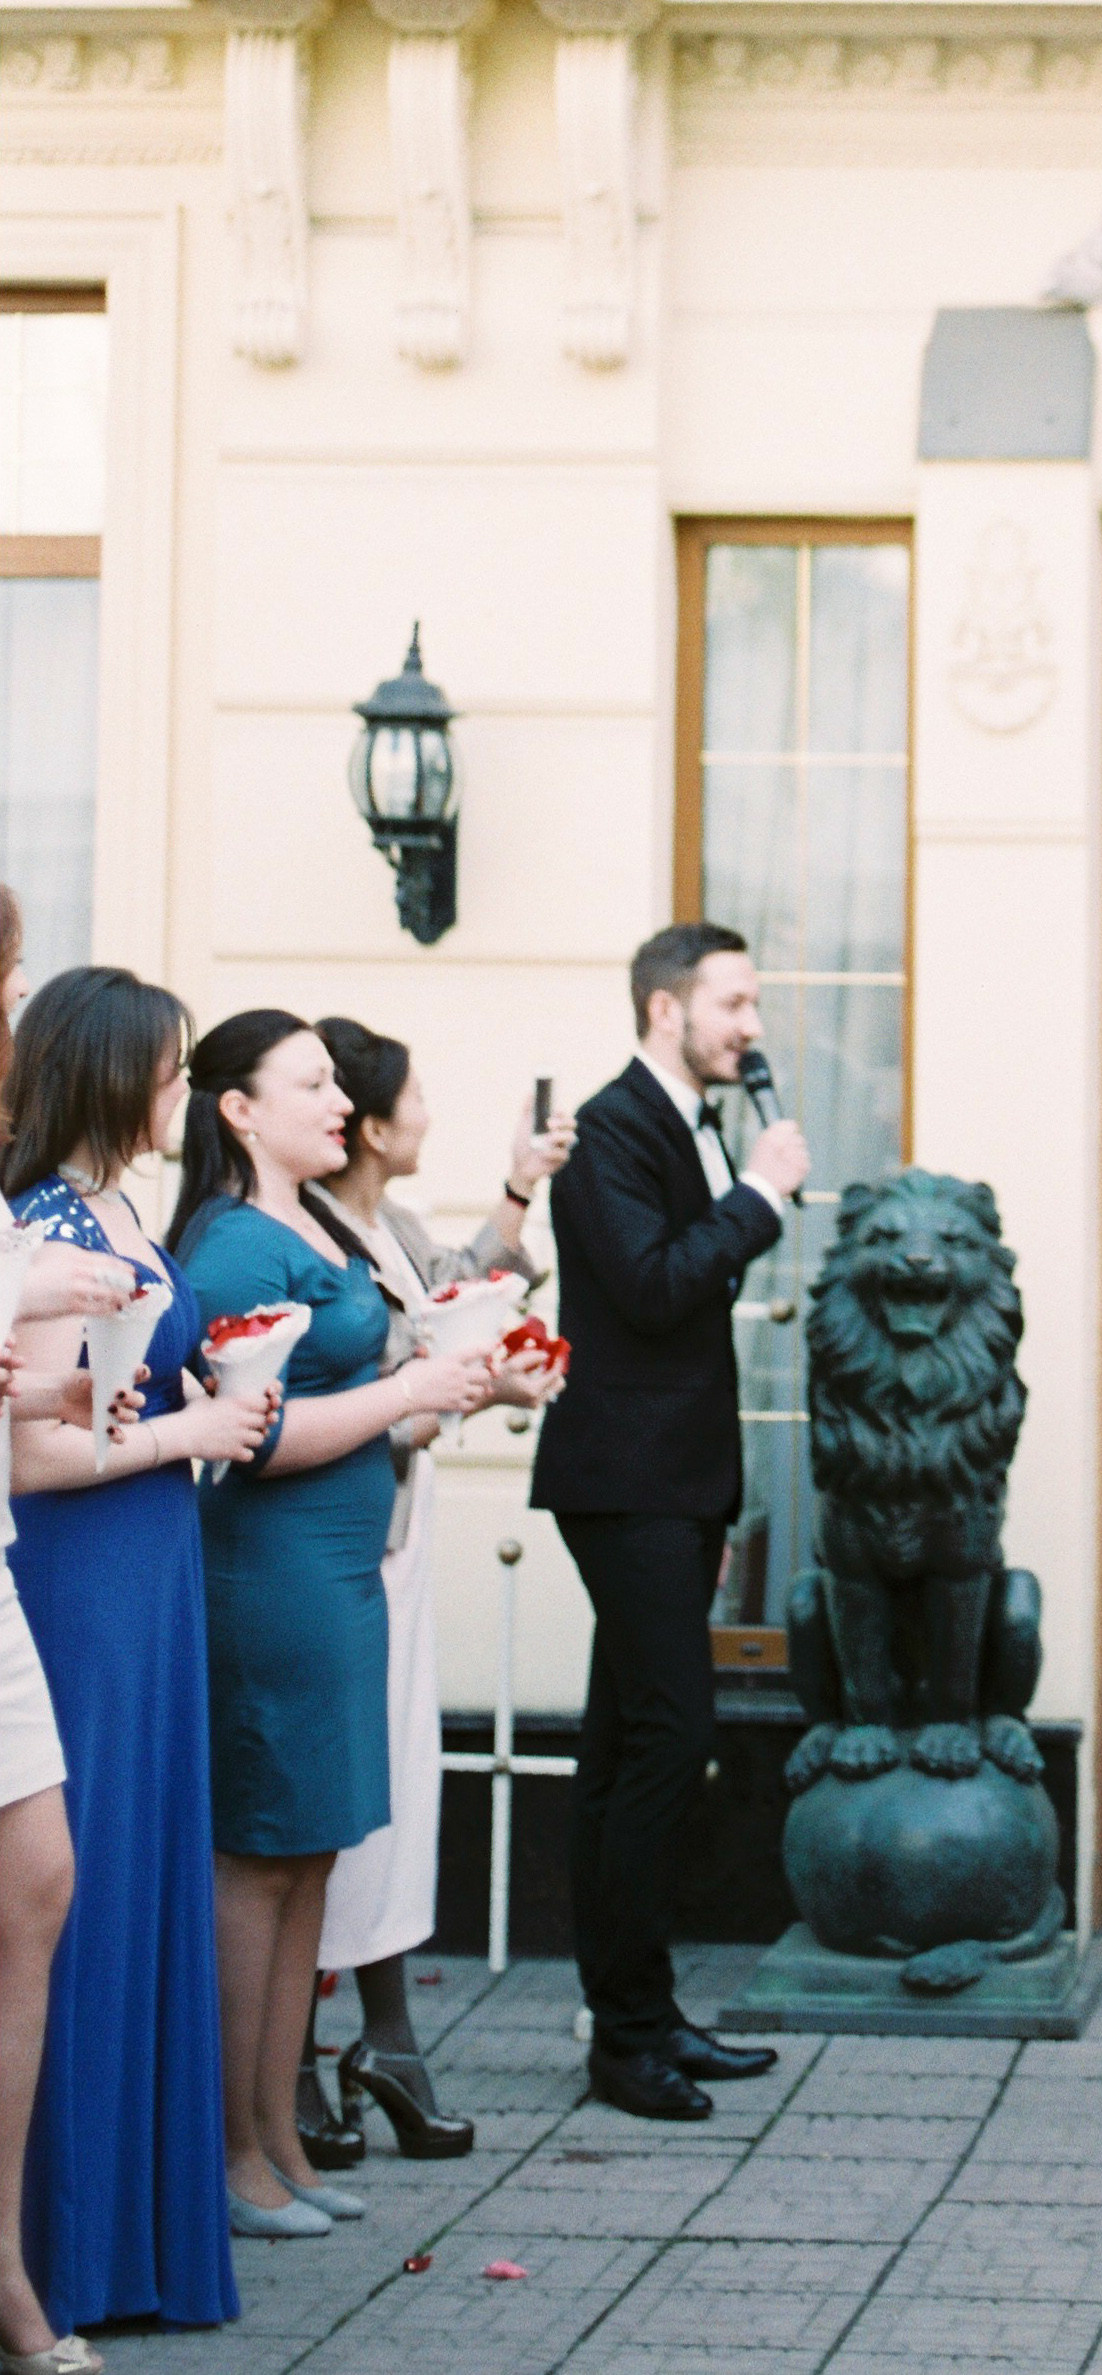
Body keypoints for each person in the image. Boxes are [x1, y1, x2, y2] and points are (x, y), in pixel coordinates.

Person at [169, 1013, 493, 2242]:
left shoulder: (320, 1219)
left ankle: (284, 2137)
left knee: (310, 1852)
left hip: (347, 1568)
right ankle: (235, 2153)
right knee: (259, 1856)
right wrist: (405, 1388)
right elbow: (256, 1436)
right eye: (308, 1081)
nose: (338, 1099)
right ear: (238, 1109)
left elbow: (365, 1402)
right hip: (277, 1576)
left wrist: (448, 1387)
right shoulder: (240, 1244)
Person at [2, 968, 280, 2342]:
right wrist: (193, 1432)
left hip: (150, 1565)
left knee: (149, 1862)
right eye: (171, 1069)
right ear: (114, 1075)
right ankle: (71, 2247)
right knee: (86, 1885)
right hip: (83, 1583)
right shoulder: (45, 1224)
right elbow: (37, 1448)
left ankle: (142, 2235)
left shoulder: (125, 1211)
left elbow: (111, 1392)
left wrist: (204, 1394)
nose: (184, 1090)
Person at [530, 922, 807, 2120]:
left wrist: (740, 1193)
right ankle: (627, 2038)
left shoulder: (687, 1119)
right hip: (626, 1474)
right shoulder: (605, 1128)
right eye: (733, 1000)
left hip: (673, 1473)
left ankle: (641, 2015)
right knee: (670, 1735)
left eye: (751, 1003)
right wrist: (757, 1199)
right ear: (665, 1007)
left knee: (620, 1746)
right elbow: (648, 1287)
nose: (750, 1023)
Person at [305, 1018, 574, 2165]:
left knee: (397, 1798)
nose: (426, 1116)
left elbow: (455, 1296)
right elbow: (399, 1378)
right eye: (415, 1099)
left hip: (398, 1536)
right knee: (344, 1804)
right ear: (372, 1125)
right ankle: (323, 2052)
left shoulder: (387, 1224)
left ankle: (379, 2040)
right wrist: (467, 1389)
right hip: (344, 1543)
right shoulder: (313, 1235)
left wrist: (518, 1189)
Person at [0, 910, 151, 2375]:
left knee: (48, 1879)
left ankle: (20, 2260)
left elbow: (35, 1406)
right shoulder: (39, 1210)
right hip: (63, 1556)